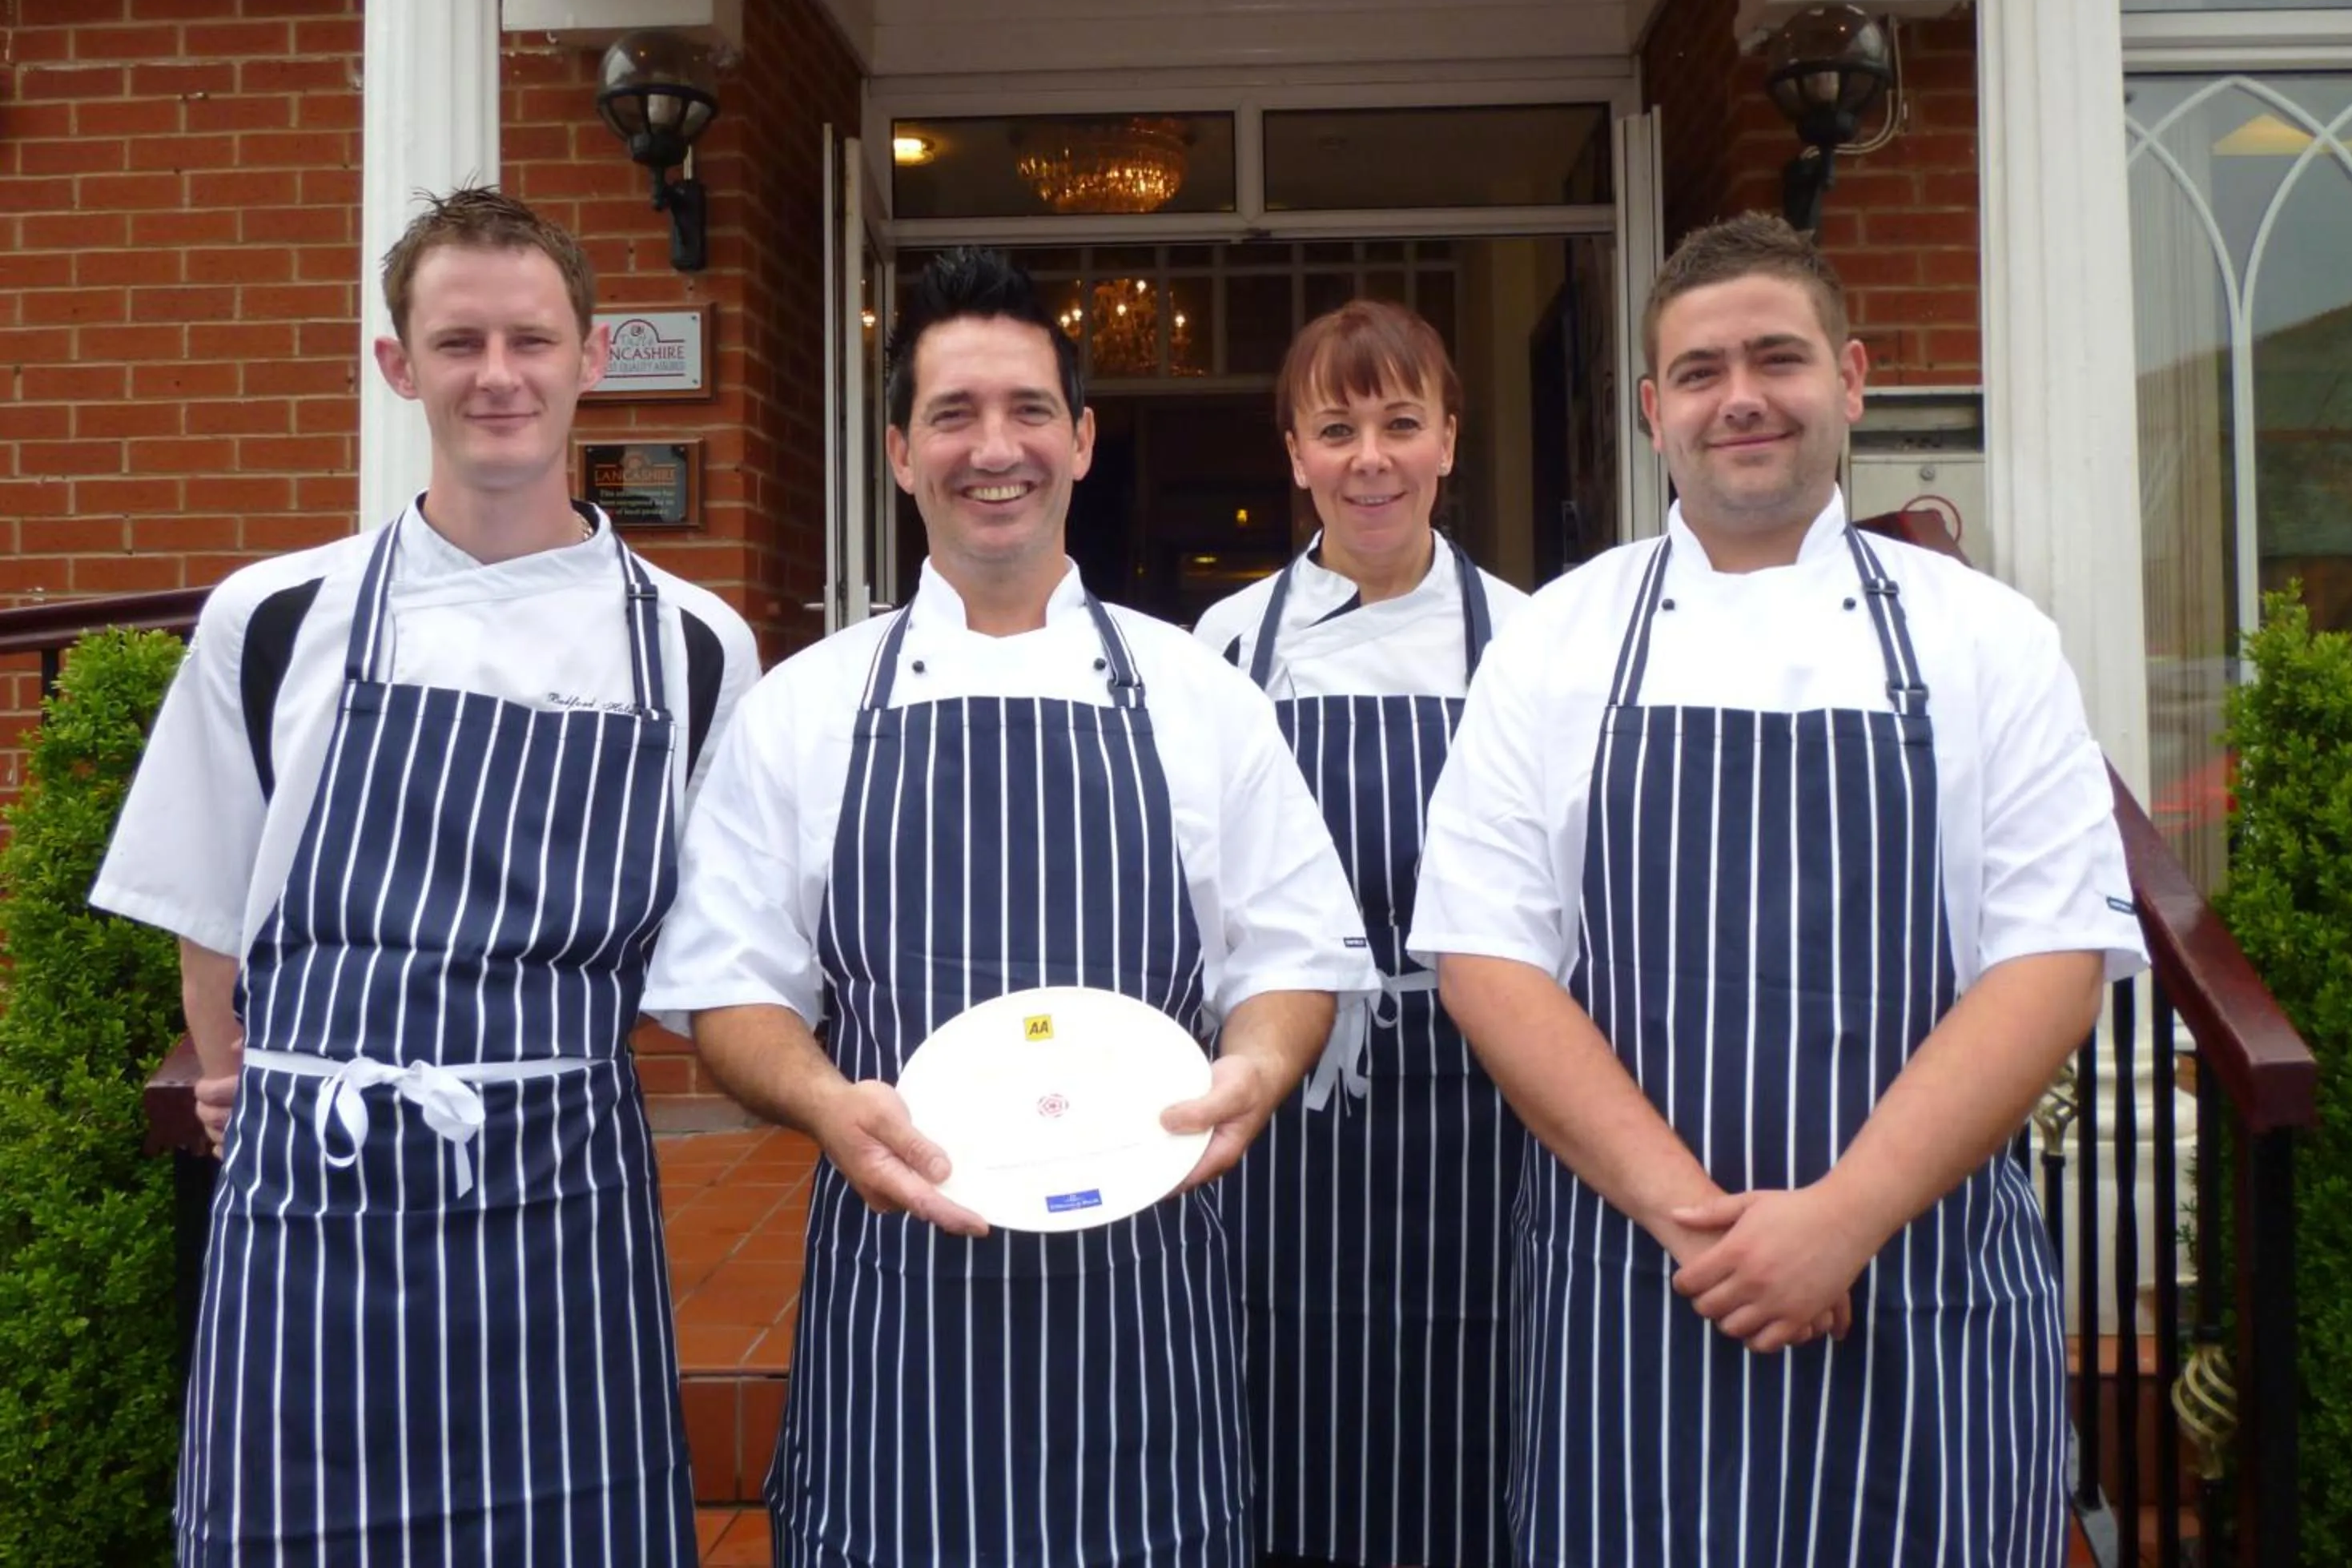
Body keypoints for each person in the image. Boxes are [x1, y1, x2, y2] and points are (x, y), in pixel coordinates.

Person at [1409, 212, 2147, 1567]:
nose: (1739, 396)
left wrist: (1846, 1215)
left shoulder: (1991, 638)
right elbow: (1484, 958)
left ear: (1851, 379)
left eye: (1776, 358)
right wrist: (1704, 1224)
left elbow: (2050, 959)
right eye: (1698, 371)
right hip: (1637, 1288)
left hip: (1923, 1291)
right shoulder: (1556, 644)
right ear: (1651, 409)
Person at [641, 246, 1379, 1568]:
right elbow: (730, 988)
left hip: (1147, 1301)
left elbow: (1293, 951)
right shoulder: (806, 707)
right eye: (955, 415)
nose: (998, 448)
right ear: (901, 450)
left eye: (1030, 410)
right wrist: (823, 1100)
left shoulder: (1198, 695)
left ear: (1083, 440)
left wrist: (1260, 1067)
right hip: (900, 1301)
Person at [90, 186, 760, 1564]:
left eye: (530, 339)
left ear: (588, 355)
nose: (498, 376)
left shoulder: (695, 647)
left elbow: (720, 942)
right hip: (315, 1192)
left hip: (563, 1195)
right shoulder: (274, 616)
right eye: (459, 343)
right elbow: (210, 903)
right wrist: (240, 1079)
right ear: (398, 365)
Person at [1193, 300, 1529, 1568]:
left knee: (1481, 1385)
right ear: (1295, 452)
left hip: (1488, 1097)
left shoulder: (1531, 639)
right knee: (1289, 1383)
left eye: (1401, 421)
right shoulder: (1227, 647)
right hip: (1292, 1102)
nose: (1371, 456)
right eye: (1338, 428)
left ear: (1450, 438)